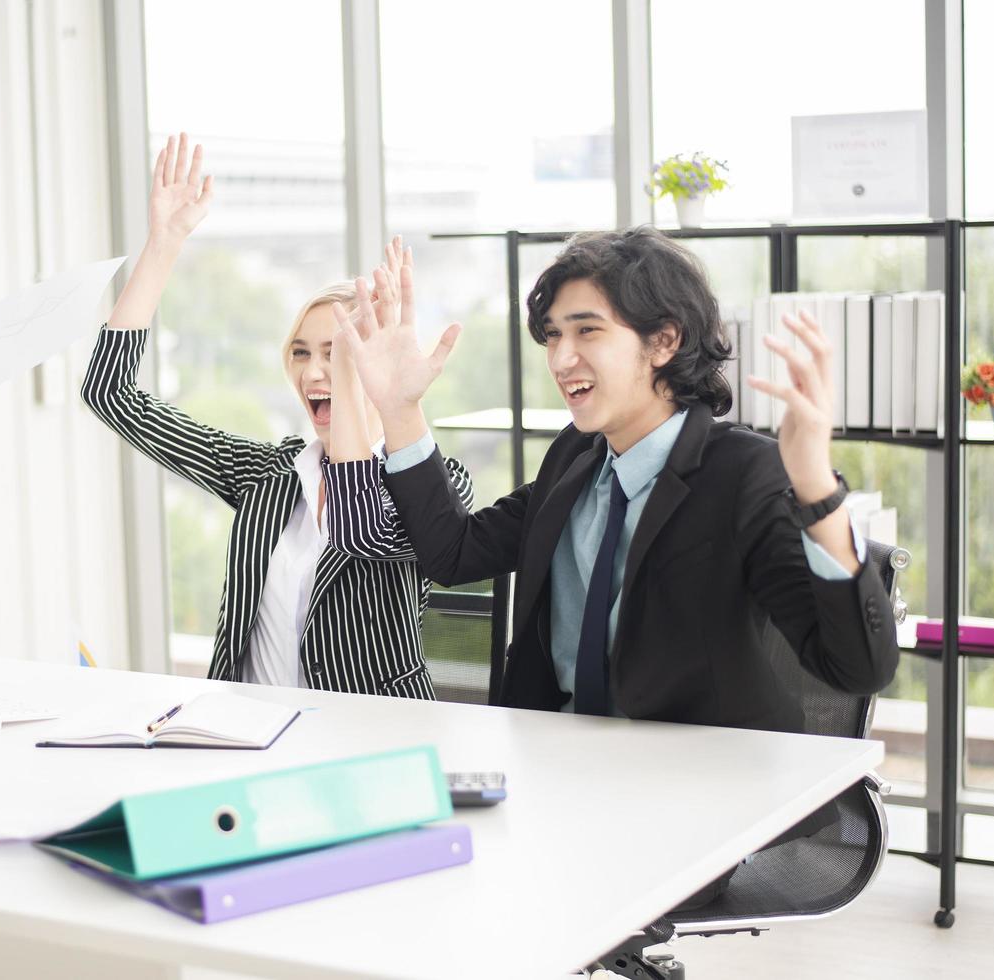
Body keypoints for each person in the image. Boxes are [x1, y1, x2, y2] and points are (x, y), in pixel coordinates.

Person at [331, 227, 899, 904]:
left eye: (586, 331)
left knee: (482, 897)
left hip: (687, 801)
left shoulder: (742, 475)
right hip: (554, 770)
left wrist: (815, 488)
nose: (561, 357)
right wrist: (399, 408)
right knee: (397, 869)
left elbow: (856, 669)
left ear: (663, 341)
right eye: (550, 337)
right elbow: (453, 553)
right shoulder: (574, 459)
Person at [80, 134, 473, 698]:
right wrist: (163, 245)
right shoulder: (265, 474)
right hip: (246, 736)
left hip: (368, 741)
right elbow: (111, 393)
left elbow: (367, 528)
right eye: (301, 352)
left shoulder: (434, 483)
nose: (315, 373)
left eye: (336, 353)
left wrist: (355, 375)